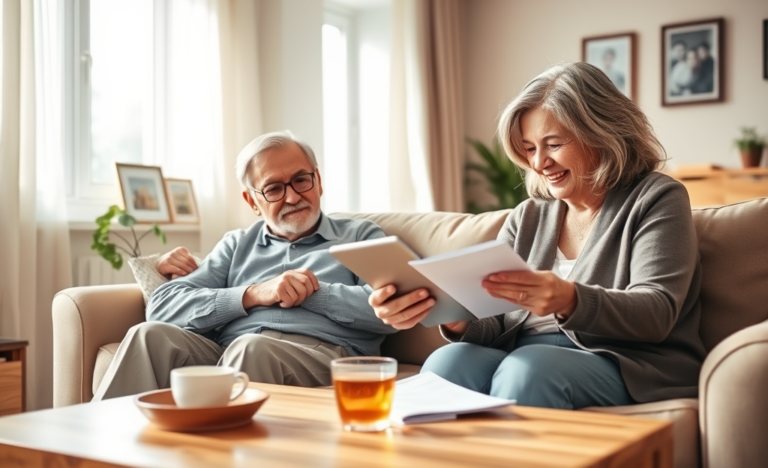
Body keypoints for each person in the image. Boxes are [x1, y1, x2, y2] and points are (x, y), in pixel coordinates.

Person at [369, 62, 706, 410]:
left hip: (627, 362)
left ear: (601, 133)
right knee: (447, 361)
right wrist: (456, 316)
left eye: (554, 144)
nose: (540, 163)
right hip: (526, 353)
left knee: (529, 370)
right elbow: (499, 318)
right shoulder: (529, 215)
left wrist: (569, 298)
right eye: (529, 149)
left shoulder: (657, 198)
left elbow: (657, 311)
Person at [93, 131, 397, 400]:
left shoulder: (360, 235)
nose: (292, 196)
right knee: (148, 335)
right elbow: (162, 308)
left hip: (325, 355)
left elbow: (393, 312)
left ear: (318, 181)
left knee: (251, 347)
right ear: (252, 202)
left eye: (301, 180)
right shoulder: (236, 244)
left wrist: (311, 293)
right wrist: (253, 294)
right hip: (230, 351)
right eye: (274, 188)